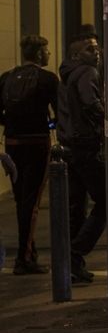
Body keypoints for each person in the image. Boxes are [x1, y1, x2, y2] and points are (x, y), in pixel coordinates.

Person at [0, 35, 59, 274]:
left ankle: (29, 250)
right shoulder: (48, 79)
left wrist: (12, 124)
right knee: (32, 202)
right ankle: (24, 259)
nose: (49, 55)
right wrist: (51, 127)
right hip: (37, 143)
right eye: (46, 51)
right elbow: (59, 114)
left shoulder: (6, 78)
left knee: (20, 199)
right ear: (38, 54)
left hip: (12, 143)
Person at [58, 37, 105, 282]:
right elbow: (91, 103)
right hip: (86, 146)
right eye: (90, 49)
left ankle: (72, 264)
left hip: (69, 147)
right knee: (107, 200)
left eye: (97, 48)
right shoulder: (87, 72)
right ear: (77, 55)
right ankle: (77, 251)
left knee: (76, 207)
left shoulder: (66, 76)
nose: (96, 52)